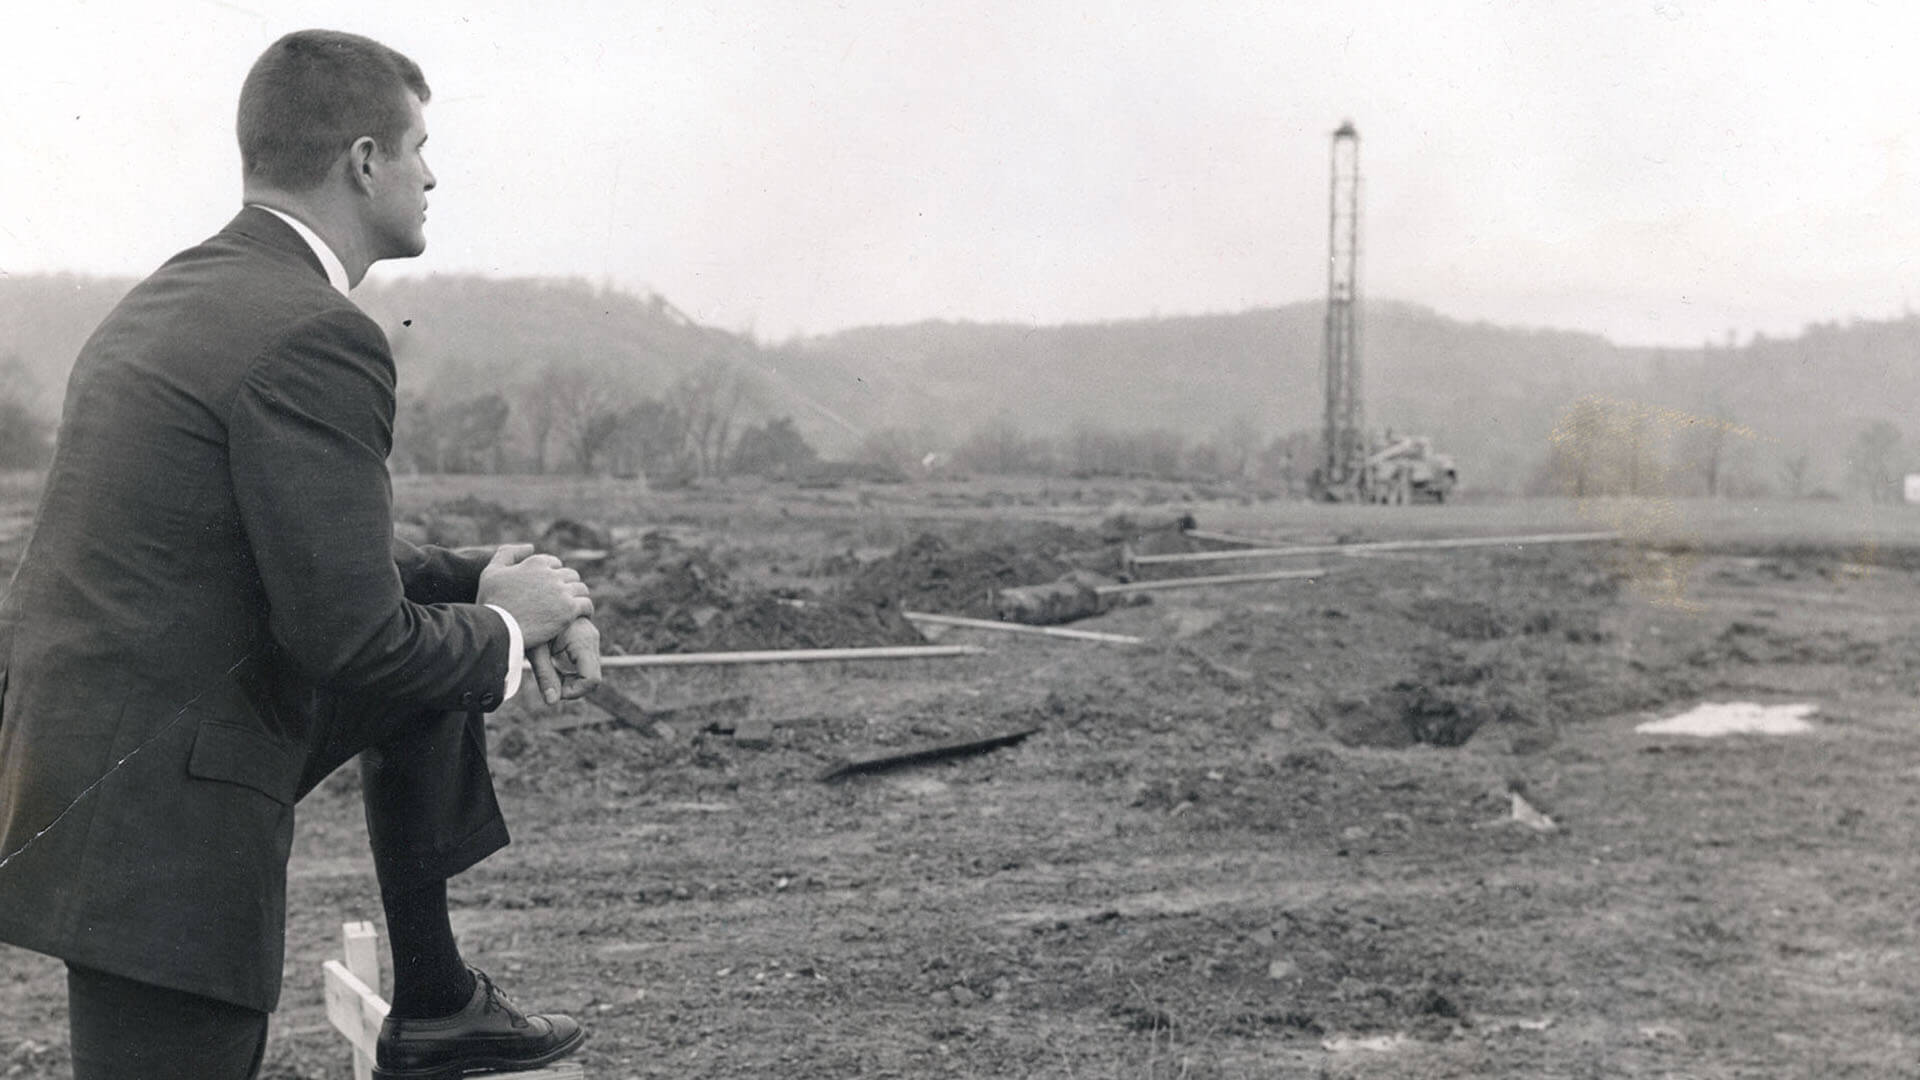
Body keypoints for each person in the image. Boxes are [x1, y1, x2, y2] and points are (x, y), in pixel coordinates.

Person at [0, 29, 599, 1080]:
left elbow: (312, 553)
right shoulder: (317, 331)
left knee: (437, 662)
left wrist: (484, 582)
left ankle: (437, 999)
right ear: (365, 161)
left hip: (88, 761)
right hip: (160, 822)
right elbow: (354, 641)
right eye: (419, 148)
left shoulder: (176, 294)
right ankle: (438, 1003)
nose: (431, 176)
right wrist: (510, 632)